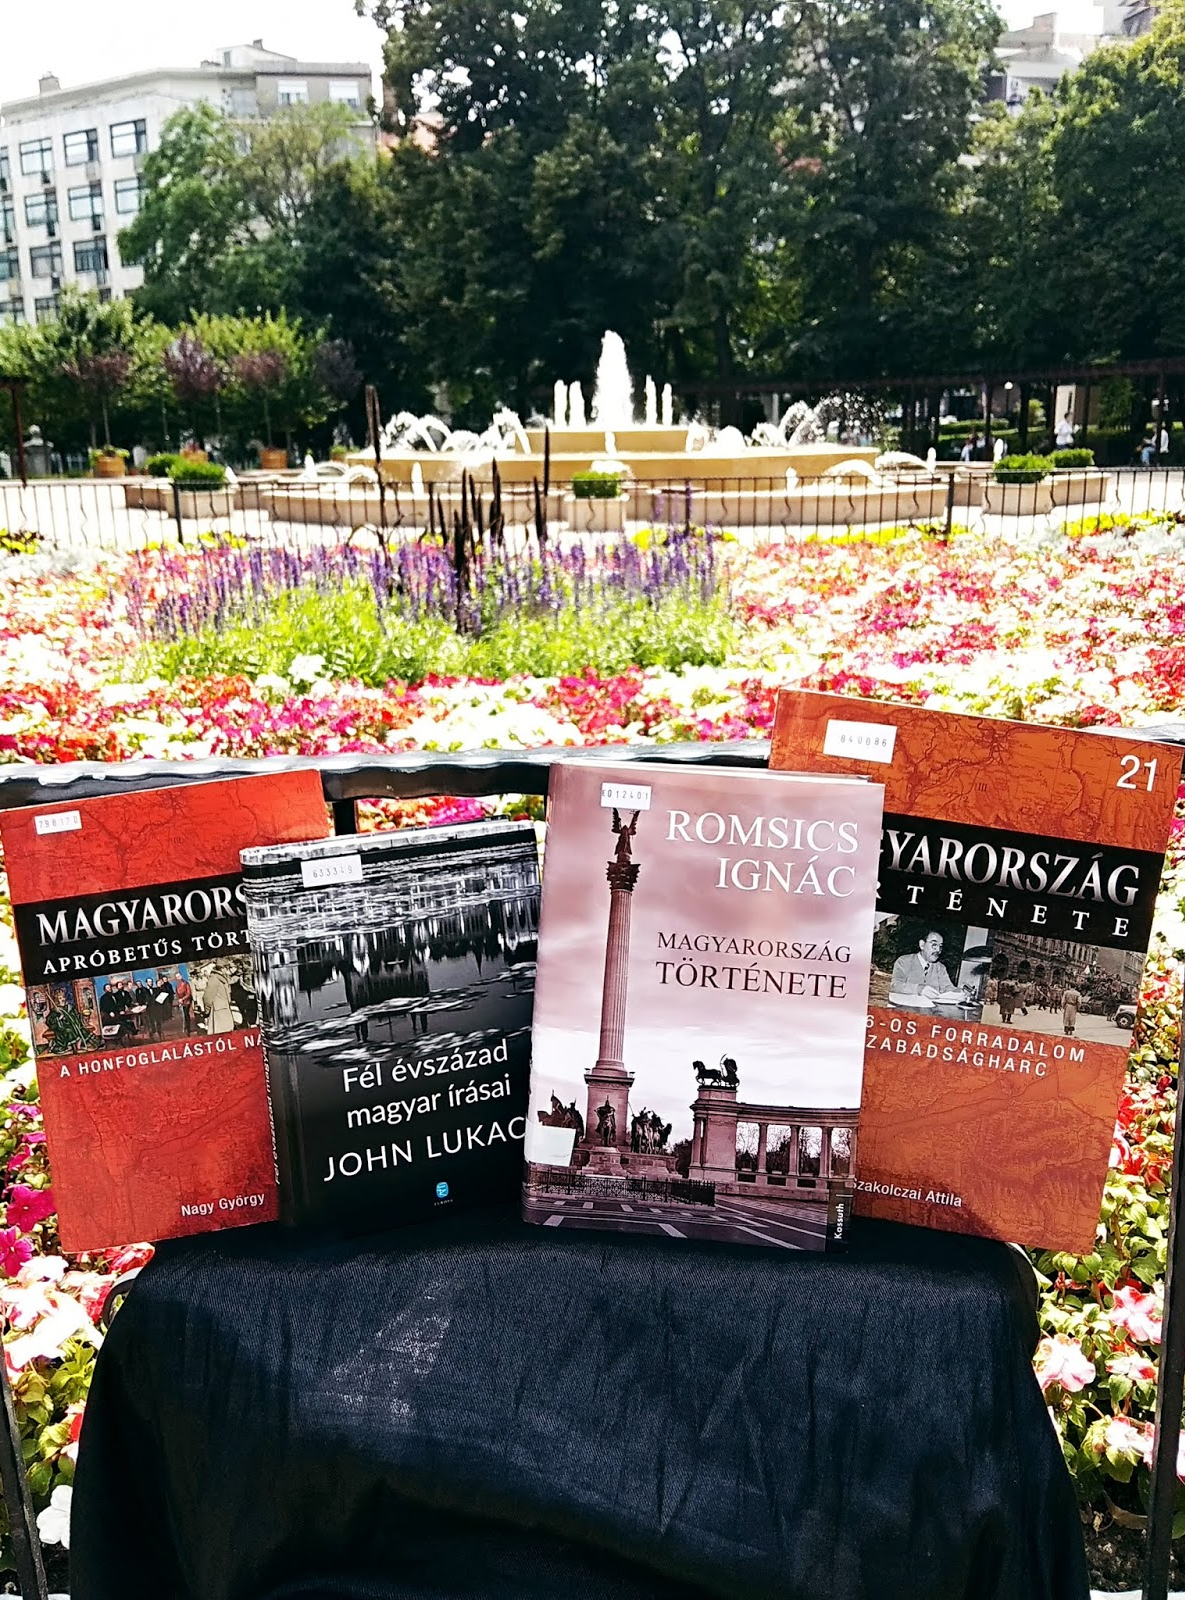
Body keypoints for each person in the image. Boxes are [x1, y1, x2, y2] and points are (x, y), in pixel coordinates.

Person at [889, 931, 964, 1004]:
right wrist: (919, 989)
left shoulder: (940, 967)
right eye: (934, 944)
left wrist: (961, 992)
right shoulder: (904, 961)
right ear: (922, 945)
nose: (938, 950)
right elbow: (894, 985)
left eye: (940, 946)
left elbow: (947, 988)